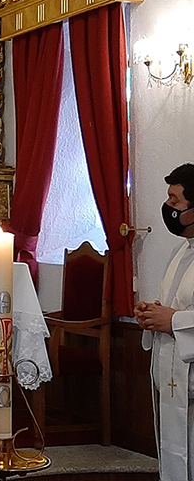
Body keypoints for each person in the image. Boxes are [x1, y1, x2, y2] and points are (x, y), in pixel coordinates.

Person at [135, 163, 194, 480]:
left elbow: (177, 317)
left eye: (175, 201)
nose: (167, 208)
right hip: (177, 379)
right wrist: (152, 313)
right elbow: (177, 306)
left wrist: (173, 321)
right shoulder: (182, 251)